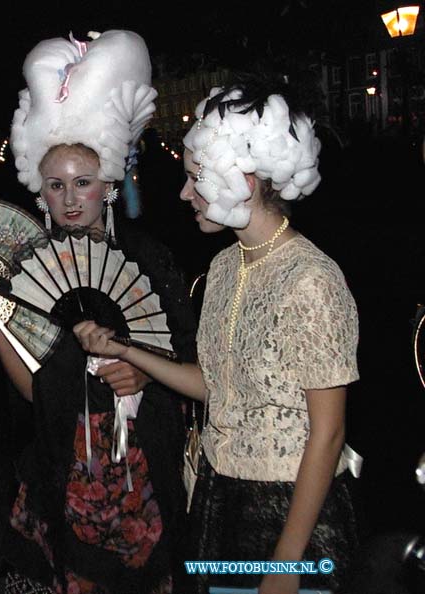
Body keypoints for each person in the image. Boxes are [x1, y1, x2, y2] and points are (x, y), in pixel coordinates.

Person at [74, 73, 359, 594]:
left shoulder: (312, 279)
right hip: (216, 501)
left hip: (291, 513)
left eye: (195, 177)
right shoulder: (227, 266)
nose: (184, 192)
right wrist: (125, 350)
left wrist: (287, 561)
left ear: (243, 183)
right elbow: (214, 385)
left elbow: (330, 432)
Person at [0, 30, 196, 593]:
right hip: (58, 464)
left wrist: (143, 371)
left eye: (83, 184)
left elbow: (193, 369)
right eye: (56, 185)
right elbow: (32, 391)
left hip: (139, 471)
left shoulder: (150, 259)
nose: (69, 199)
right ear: (38, 192)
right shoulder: (25, 272)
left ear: (107, 188)